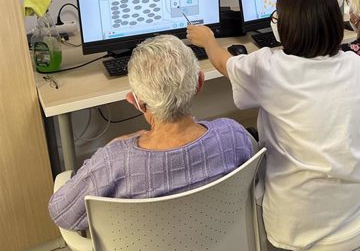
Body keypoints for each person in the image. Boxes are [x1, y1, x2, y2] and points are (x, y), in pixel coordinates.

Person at [187, 0, 360, 251]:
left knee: (241, 139)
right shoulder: (355, 64)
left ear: (285, 28)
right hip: (355, 209)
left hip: (295, 222)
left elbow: (226, 64)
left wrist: (209, 40)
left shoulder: (269, 68)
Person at [48, 35, 255, 231]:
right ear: (199, 83)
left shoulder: (113, 162)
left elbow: (61, 213)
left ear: (136, 101)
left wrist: (112, 147)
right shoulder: (232, 135)